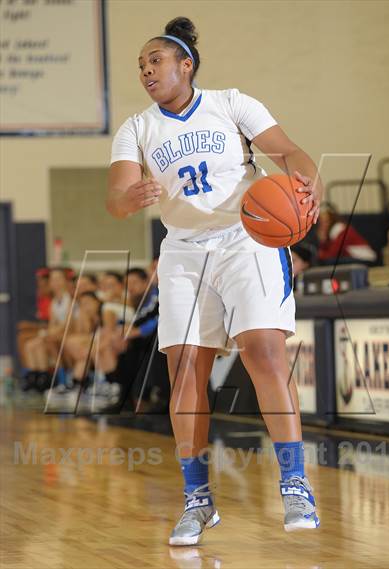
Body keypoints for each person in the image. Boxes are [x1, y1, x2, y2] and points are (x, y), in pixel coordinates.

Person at [107, 17, 322, 545]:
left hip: (246, 238)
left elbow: (290, 152)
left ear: (186, 65)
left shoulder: (232, 103)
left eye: (154, 61)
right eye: (140, 66)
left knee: (264, 352)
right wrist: (127, 200)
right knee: (184, 372)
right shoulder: (135, 128)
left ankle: (295, 484)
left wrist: (306, 184)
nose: (146, 71)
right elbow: (115, 199)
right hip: (183, 250)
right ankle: (197, 501)